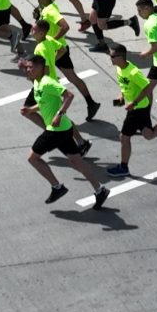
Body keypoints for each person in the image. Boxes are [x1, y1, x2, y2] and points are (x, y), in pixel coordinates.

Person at [21, 54, 109, 209]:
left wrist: (59, 114)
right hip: (65, 129)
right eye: (27, 67)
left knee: (33, 159)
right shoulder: (37, 82)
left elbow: (69, 95)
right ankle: (100, 190)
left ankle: (57, 187)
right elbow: (43, 102)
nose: (28, 70)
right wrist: (30, 109)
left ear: (41, 68)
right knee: (77, 160)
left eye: (31, 67)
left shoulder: (48, 82)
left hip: (55, 130)